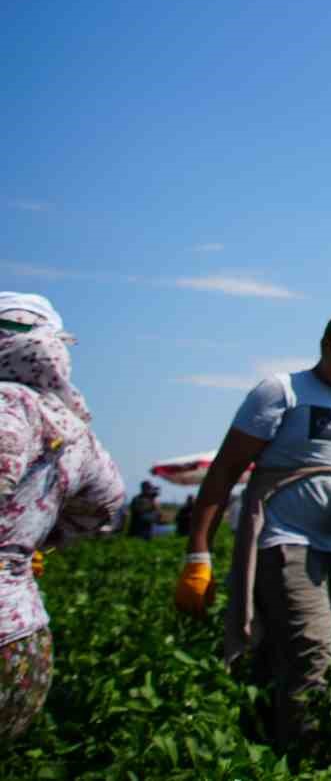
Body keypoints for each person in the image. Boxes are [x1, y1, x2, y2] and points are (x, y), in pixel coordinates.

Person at [173, 309, 331, 752]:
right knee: (317, 655)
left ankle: (257, 744)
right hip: (283, 542)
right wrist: (199, 555)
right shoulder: (281, 392)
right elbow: (225, 472)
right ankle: (307, 758)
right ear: (325, 347)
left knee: (281, 659)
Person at [0, 293, 125, 740]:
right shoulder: (71, 427)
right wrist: (29, 544)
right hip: (22, 641)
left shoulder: (7, 405)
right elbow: (106, 503)